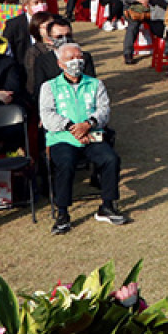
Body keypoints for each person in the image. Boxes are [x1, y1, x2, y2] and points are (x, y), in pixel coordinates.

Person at [40, 42, 127, 234]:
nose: (76, 62)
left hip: (92, 134)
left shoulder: (95, 84)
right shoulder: (49, 87)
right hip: (62, 137)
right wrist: (72, 128)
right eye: (70, 58)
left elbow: (104, 110)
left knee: (110, 159)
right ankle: (62, 213)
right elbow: (47, 116)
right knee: (65, 162)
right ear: (60, 63)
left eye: (79, 57)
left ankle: (107, 205)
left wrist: (89, 124)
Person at [2, 0, 49, 66]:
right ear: (26, 6)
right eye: (36, 3)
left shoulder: (55, 21)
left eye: (43, 1)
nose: (41, 5)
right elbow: (7, 50)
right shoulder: (13, 25)